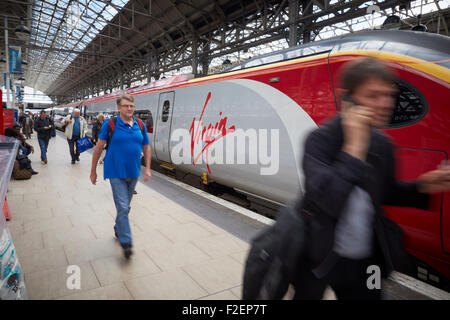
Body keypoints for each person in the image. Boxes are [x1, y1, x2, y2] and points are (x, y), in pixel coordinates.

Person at [294, 57, 450, 300]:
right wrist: (355, 148)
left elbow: (383, 193)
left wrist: (422, 186)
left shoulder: (382, 144)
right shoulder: (319, 140)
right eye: (374, 96)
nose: (386, 104)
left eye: (389, 95)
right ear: (347, 98)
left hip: (368, 258)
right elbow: (327, 201)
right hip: (319, 254)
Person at [90, 94, 151, 259]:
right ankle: (126, 242)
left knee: (126, 206)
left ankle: (118, 227)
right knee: (123, 207)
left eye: (131, 106)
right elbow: (98, 148)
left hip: (133, 171)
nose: (129, 108)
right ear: (119, 107)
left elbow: (146, 146)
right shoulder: (111, 124)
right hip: (115, 170)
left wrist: (148, 169)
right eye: (126, 106)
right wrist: (93, 170)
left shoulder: (140, 124)